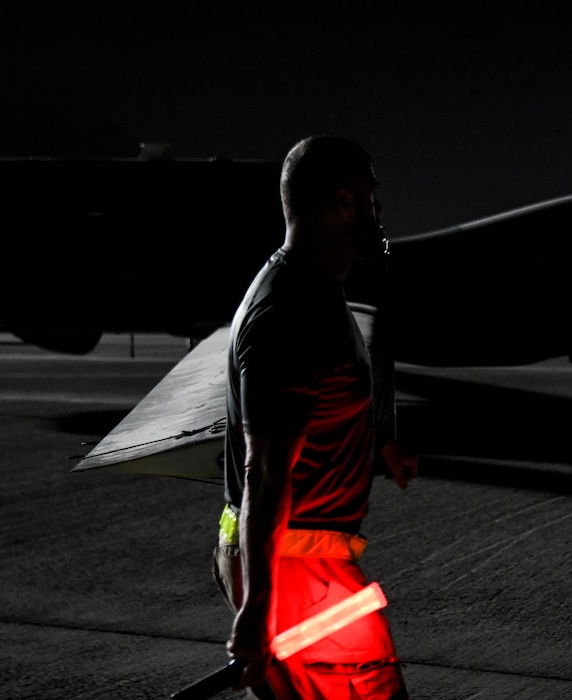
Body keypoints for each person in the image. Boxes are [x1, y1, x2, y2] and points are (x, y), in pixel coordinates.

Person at [212, 135, 419, 699]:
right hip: (302, 575)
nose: (379, 216)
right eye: (372, 201)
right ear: (344, 203)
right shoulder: (293, 310)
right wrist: (257, 608)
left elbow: (321, 400)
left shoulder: (311, 291)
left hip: (305, 565)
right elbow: (266, 470)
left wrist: (378, 443)